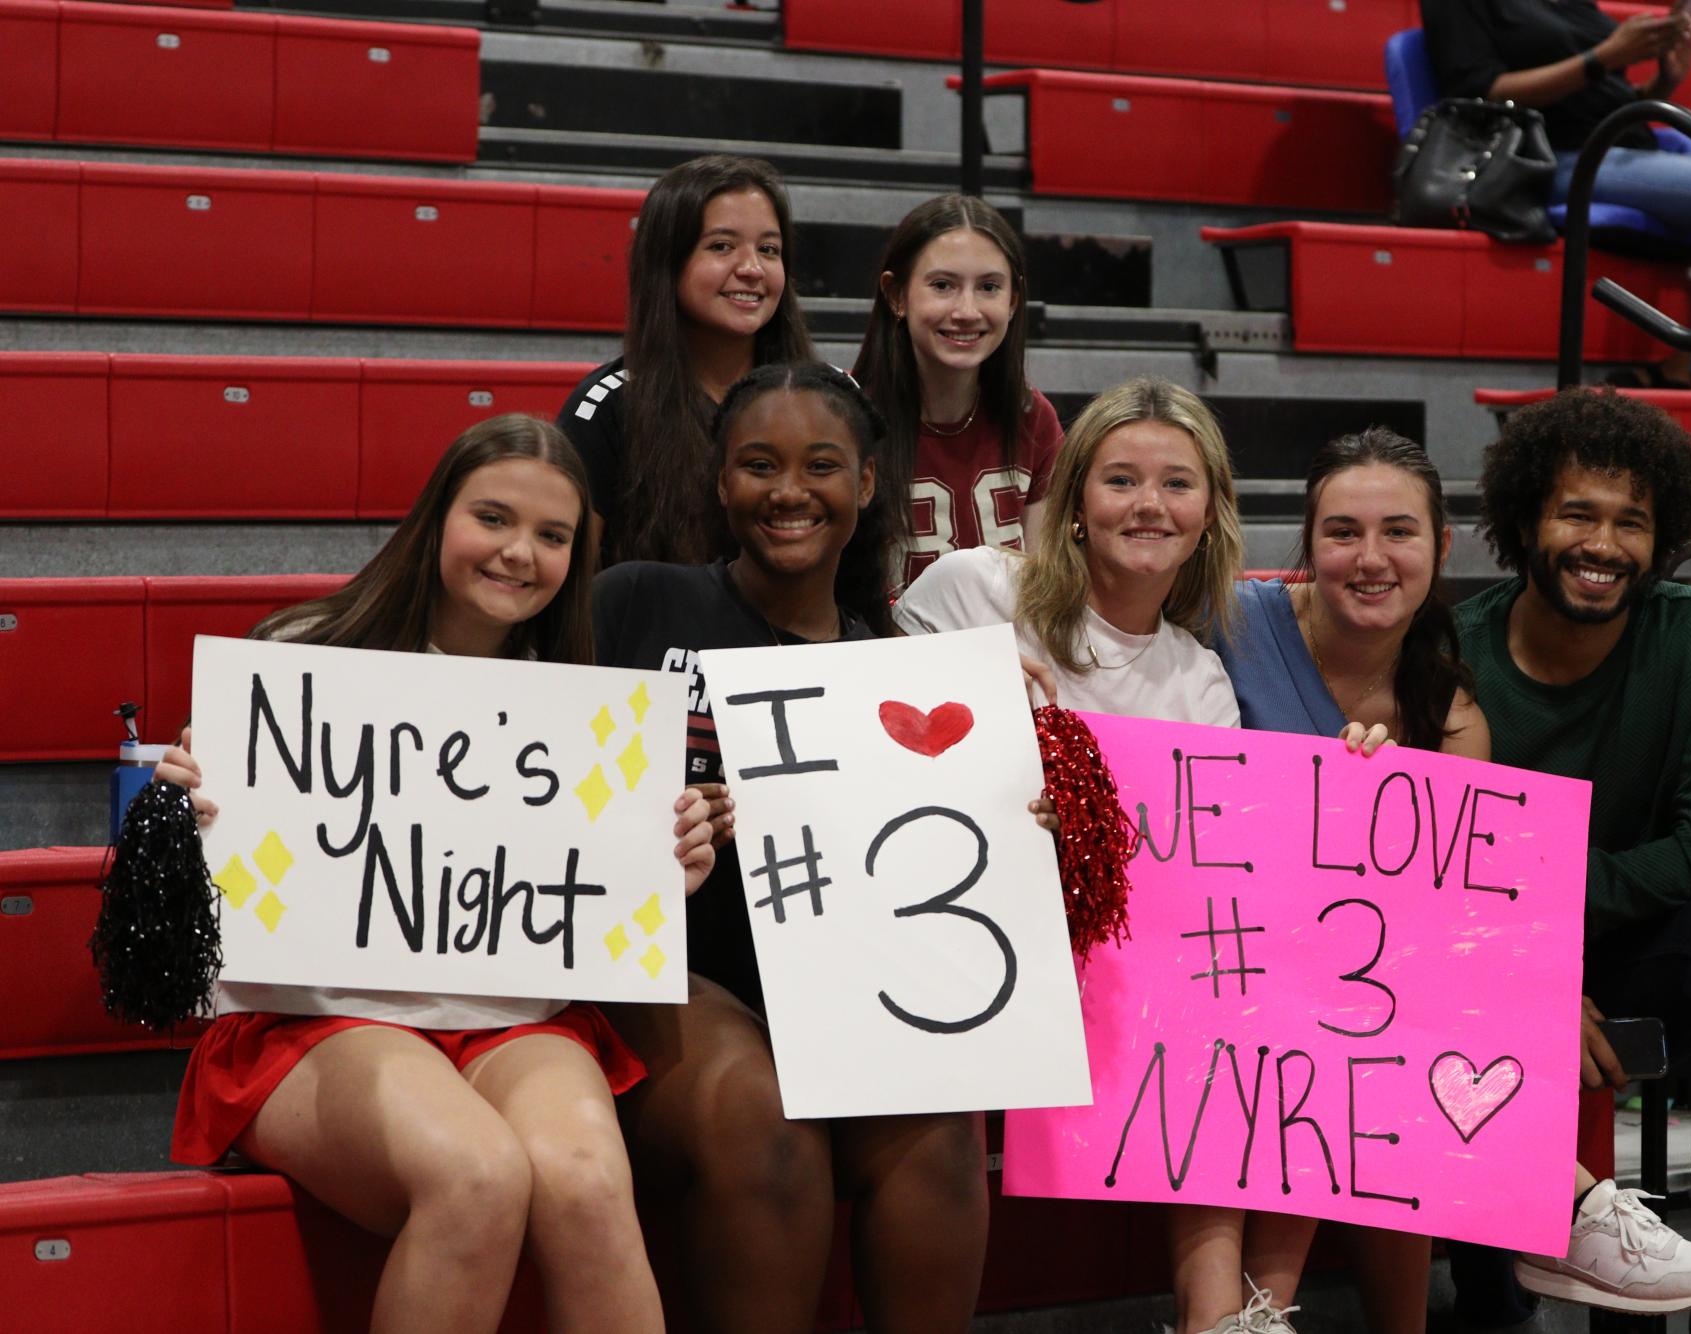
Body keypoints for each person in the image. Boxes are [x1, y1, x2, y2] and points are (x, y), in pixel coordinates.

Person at [158, 415, 722, 1334]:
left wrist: (667, 864)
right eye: (492, 518)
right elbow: (220, 881)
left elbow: (598, 899)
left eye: (552, 535)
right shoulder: (304, 657)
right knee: (477, 1174)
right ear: (436, 520)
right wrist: (189, 805)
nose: (518, 553)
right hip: (318, 1015)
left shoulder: (586, 701)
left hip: (512, 1016)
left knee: (584, 1185)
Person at [1219, 426, 1691, 1323]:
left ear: (1441, 546)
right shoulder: (1229, 622)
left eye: (1398, 533)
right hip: (1221, 960)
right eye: (1342, 532)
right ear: (1305, 544)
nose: (1369, 558)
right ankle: (1566, 1208)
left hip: (1351, 986)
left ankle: (1266, 1315)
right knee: (1347, 1013)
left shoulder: (1450, 713)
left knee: (1377, 1009)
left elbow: (1447, 916)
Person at [594, 362, 1048, 1333]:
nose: (790, 490)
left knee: (942, 1122)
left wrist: (1015, 800)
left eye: (821, 466)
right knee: (762, 1113)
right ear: (721, 483)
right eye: (758, 464)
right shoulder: (635, 601)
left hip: (835, 990)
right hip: (660, 968)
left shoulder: (891, 669)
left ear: (868, 484)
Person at [1451, 388, 1691, 1334]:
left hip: (1638, 944)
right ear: (1523, 522)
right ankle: (1489, 1304)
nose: (1604, 544)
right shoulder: (1454, 652)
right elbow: (1436, 873)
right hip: (1489, 963)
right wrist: (1530, 969)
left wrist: (1553, 909)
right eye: (1577, 514)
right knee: (1459, 1012)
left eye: (1631, 521)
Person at [896, 378, 1272, 1334]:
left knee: (1231, 1004)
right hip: (958, 937)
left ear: (1209, 517)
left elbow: (1199, 871)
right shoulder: (974, 589)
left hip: (1119, 960)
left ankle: (1219, 1321)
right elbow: (872, 759)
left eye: (1177, 484)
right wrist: (972, 702)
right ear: (1072, 502)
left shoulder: (1200, 676)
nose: (1148, 505)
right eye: (1121, 479)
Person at [1420, 0, 1691, 391]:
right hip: (1555, 158)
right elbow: (1480, 95)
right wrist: (1604, 57)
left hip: (1625, 143)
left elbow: (1604, 99)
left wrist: (1664, 80)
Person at [558, 154, 816, 566]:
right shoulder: (604, 407)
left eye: (769, 249)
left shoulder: (821, 397)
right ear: (667, 261)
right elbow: (569, 585)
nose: (752, 268)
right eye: (721, 246)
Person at [851, 194, 1064, 587]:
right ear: (896, 295)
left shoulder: (1034, 417)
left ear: (1014, 299)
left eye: (988, 287)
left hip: (1007, 646)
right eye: (943, 285)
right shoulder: (844, 417)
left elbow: (1045, 590)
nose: (967, 310)